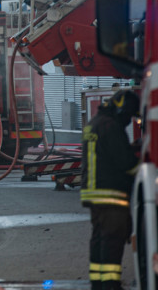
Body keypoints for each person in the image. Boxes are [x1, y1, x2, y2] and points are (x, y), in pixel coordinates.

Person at [80, 89, 140, 290]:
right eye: (130, 115)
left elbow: (106, 154)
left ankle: (98, 283)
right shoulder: (111, 126)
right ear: (122, 109)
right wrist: (145, 169)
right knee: (112, 240)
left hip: (94, 193)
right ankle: (110, 285)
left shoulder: (95, 124)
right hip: (110, 193)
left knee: (99, 239)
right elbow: (125, 163)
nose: (130, 120)